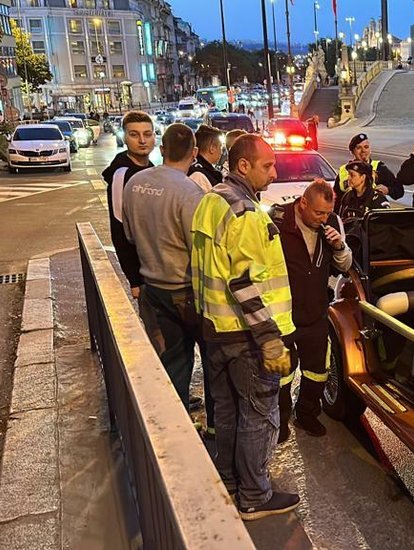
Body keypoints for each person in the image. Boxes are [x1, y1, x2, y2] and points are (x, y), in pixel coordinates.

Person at [190, 134, 300, 520]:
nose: (274, 171)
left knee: (227, 411)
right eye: (267, 165)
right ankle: (254, 495)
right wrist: (270, 340)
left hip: (215, 331)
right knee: (259, 414)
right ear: (243, 166)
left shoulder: (212, 201)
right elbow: (245, 283)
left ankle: (230, 481)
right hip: (247, 338)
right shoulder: (246, 214)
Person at [121, 124, 205, 411]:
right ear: (194, 153)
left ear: (162, 148)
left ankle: (172, 421)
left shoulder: (135, 183)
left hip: (152, 289)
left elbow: (129, 235)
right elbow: (201, 250)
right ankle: (214, 433)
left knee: (171, 362)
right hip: (186, 291)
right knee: (210, 358)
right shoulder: (189, 192)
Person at [272, 181, 352, 440]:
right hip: (283, 314)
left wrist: (339, 246)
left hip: (316, 312)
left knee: (317, 369)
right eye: (318, 213)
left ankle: (307, 414)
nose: (323, 218)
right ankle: (280, 421)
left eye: (327, 212)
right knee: (282, 374)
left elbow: (345, 265)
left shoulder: (332, 224)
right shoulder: (278, 220)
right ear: (303, 203)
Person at [102, 111, 155, 299]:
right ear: (124, 138)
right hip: (142, 273)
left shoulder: (151, 169)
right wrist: (134, 279)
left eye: (147, 134)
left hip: (157, 268)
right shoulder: (121, 174)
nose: (142, 140)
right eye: (134, 134)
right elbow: (119, 227)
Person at [333, 133, 403, 202]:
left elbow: (399, 190)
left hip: (371, 211)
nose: (363, 151)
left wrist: (388, 190)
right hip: (350, 211)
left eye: (366, 147)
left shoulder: (379, 168)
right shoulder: (344, 170)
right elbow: (336, 199)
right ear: (352, 152)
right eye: (359, 148)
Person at [188, 125, 225, 193]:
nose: (221, 152)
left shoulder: (190, 166)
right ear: (212, 148)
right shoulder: (199, 177)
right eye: (220, 146)